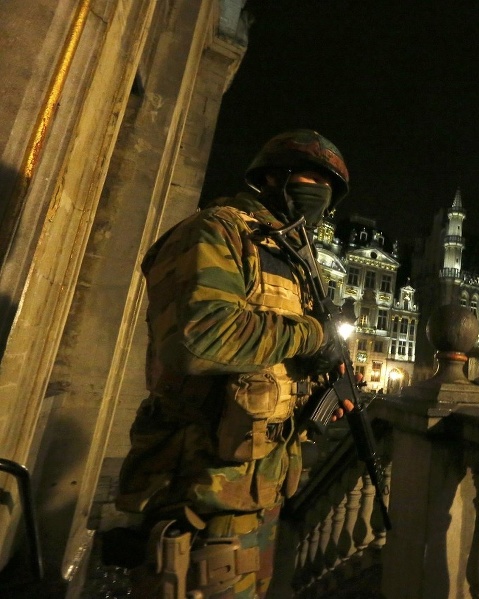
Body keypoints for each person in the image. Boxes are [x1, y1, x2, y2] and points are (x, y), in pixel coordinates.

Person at [115, 129, 354, 598]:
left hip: (258, 496)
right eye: (311, 176)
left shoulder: (294, 258)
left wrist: (322, 388)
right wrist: (314, 335)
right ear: (271, 177)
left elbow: (272, 363)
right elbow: (199, 340)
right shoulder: (218, 230)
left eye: (329, 185)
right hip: (199, 497)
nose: (320, 192)